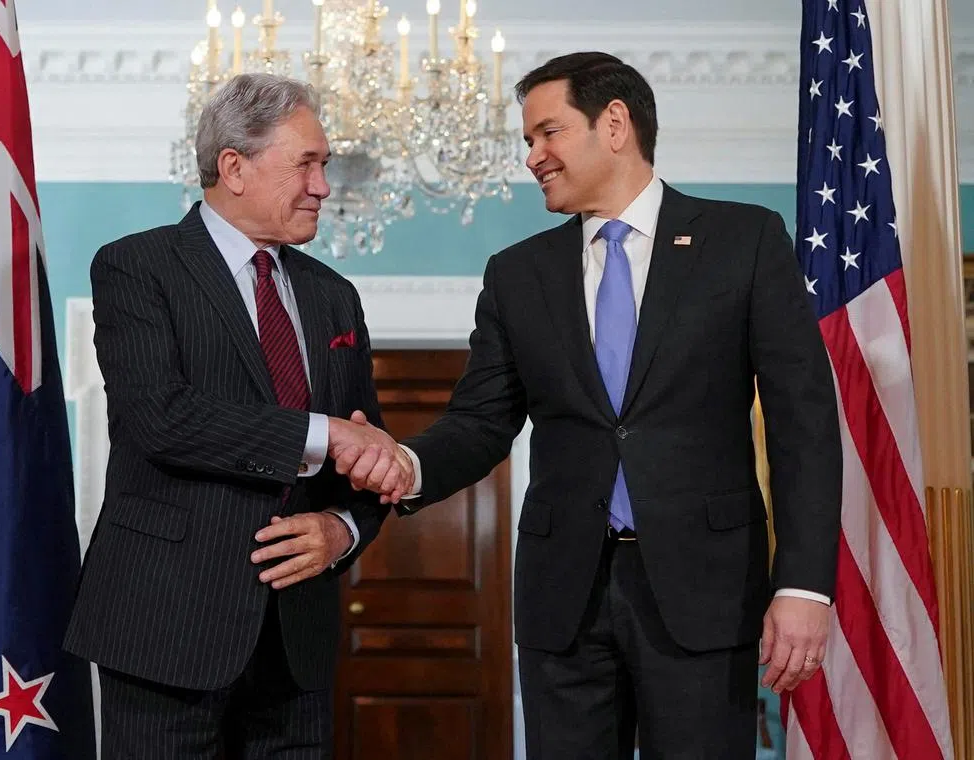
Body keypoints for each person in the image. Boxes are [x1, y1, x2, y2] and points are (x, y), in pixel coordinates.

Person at [341, 52, 843, 758]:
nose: (532, 157)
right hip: (563, 599)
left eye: (547, 133)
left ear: (615, 124)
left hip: (706, 592)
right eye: (526, 141)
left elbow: (805, 427)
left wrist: (804, 587)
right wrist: (408, 462)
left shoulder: (745, 241)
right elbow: (481, 421)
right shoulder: (517, 274)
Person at [63, 73, 403, 758]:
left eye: (325, 166)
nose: (324, 187)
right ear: (234, 167)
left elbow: (365, 453)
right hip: (165, 628)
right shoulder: (138, 267)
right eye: (307, 163)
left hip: (296, 642)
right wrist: (322, 433)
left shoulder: (334, 297)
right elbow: (161, 417)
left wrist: (343, 530)